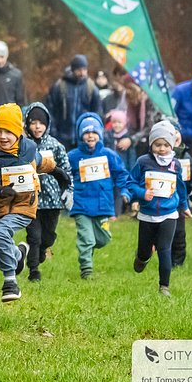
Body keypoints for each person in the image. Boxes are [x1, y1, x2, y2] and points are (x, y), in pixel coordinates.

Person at [0, 103, 58, 302]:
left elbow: (41, 161)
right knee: (0, 240)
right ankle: (18, 255)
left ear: (18, 132)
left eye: (8, 132)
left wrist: (57, 171)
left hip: (24, 205)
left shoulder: (28, 148)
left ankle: (10, 283)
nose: (3, 136)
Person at [120, 120, 191, 296]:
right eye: (157, 145)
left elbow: (180, 187)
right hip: (147, 214)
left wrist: (184, 205)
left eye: (166, 145)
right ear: (151, 144)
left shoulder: (176, 164)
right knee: (145, 251)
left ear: (172, 145)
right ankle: (142, 257)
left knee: (164, 248)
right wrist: (142, 193)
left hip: (169, 214)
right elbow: (130, 182)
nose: (162, 149)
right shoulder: (143, 162)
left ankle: (164, 286)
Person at [67, 113, 129, 279]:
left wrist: (124, 191)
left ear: (100, 134)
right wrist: (65, 192)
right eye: (86, 132)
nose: (90, 136)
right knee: (87, 238)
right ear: (80, 135)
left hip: (103, 204)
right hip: (81, 204)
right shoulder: (73, 156)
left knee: (103, 239)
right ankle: (86, 269)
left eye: (94, 132)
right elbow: (64, 175)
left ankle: (87, 249)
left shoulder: (108, 155)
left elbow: (121, 174)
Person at [22, 103, 71, 282]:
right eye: (33, 123)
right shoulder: (23, 145)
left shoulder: (55, 145)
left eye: (41, 123)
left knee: (48, 237)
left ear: (47, 124)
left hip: (53, 200)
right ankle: (33, 270)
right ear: (27, 124)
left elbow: (66, 169)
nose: (37, 127)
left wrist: (68, 190)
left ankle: (43, 250)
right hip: (30, 199)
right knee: (34, 236)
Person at [46, 55, 102, 149]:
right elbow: (51, 110)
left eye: (84, 69)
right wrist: (54, 132)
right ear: (73, 70)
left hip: (84, 137)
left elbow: (97, 113)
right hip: (62, 137)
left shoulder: (91, 88)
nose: (82, 73)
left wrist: (93, 132)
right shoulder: (60, 86)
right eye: (79, 70)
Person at [169, 123, 192, 268]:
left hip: (179, 205)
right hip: (160, 204)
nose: (174, 135)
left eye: (176, 131)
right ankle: (147, 254)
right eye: (170, 133)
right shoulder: (153, 159)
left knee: (179, 234)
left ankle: (177, 263)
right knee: (158, 235)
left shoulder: (187, 158)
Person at [103, 110, 135, 214]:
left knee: (119, 190)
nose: (117, 125)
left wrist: (131, 169)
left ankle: (117, 212)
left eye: (119, 122)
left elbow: (131, 156)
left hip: (123, 169)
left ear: (124, 123)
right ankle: (109, 210)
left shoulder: (127, 139)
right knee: (110, 190)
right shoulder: (107, 136)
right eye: (114, 122)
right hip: (109, 169)